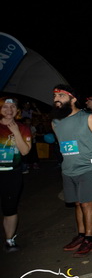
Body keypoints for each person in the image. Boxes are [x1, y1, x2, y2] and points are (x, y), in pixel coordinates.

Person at [51, 86, 92, 257]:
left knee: (87, 203)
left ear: (73, 99)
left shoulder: (88, 118)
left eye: (61, 95)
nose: (56, 98)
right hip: (68, 169)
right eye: (55, 95)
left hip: (88, 168)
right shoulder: (55, 122)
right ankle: (81, 235)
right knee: (77, 203)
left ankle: (89, 240)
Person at [1, 98, 32, 252]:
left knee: (10, 208)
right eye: (5, 106)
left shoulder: (23, 128)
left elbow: (25, 151)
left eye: (12, 106)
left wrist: (16, 132)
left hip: (12, 174)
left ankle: (9, 240)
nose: (9, 110)